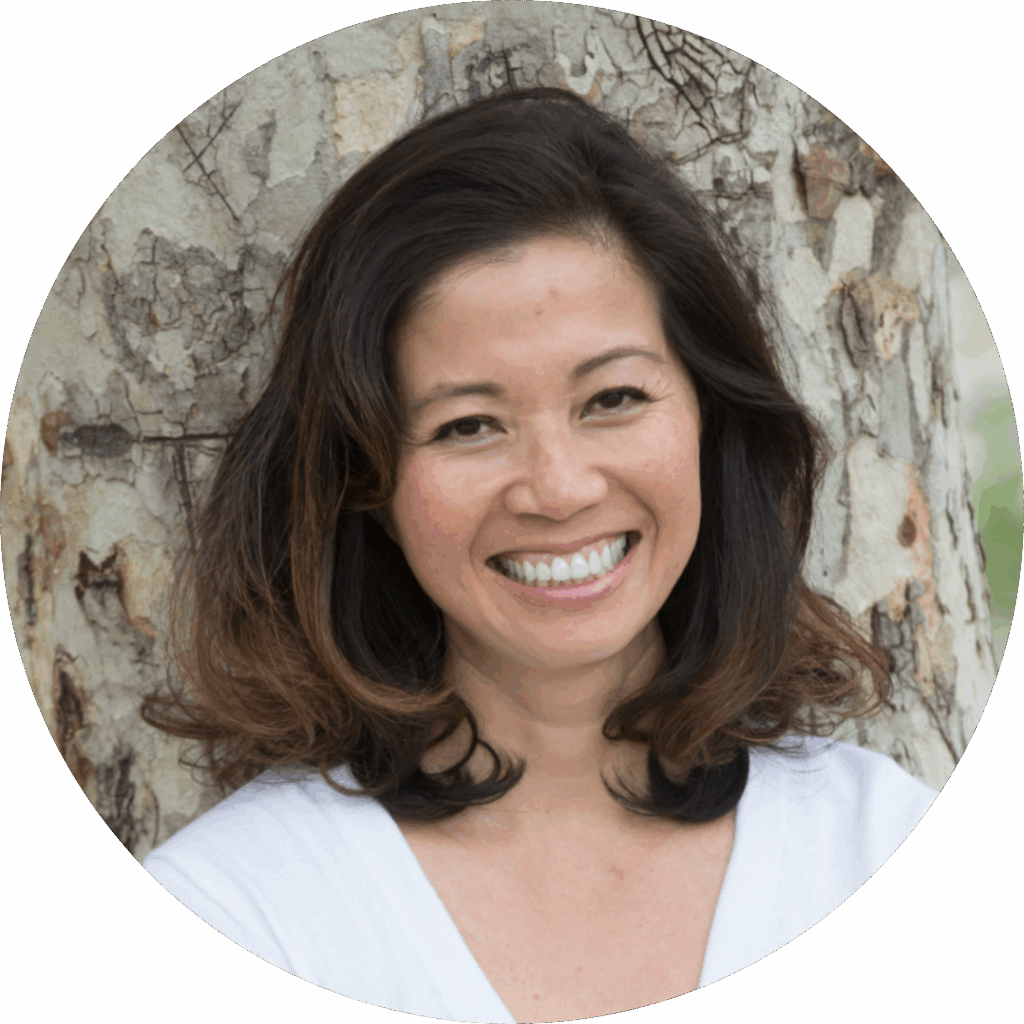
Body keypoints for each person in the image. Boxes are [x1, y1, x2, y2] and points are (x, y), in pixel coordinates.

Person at [141, 87, 937, 1023]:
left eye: (613, 399)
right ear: (367, 484)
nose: (558, 489)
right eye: (468, 424)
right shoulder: (235, 910)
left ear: (707, 421)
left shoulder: (882, 846)